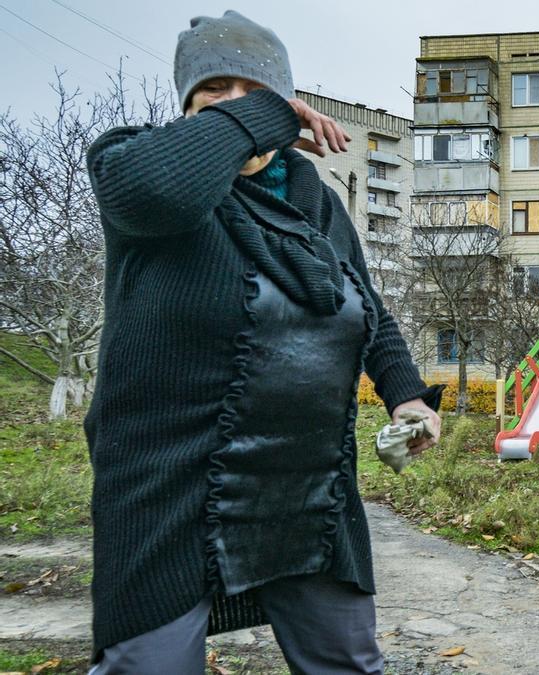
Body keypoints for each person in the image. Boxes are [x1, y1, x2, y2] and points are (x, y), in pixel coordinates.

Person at [84, 10, 441, 674]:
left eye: (255, 91)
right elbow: (160, 188)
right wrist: (267, 115)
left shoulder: (318, 203)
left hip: (305, 485)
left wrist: (408, 398)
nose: (233, 108)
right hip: (170, 484)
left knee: (348, 661)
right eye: (212, 91)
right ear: (186, 106)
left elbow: (365, 308)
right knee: (149, 666)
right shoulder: (135, 165)